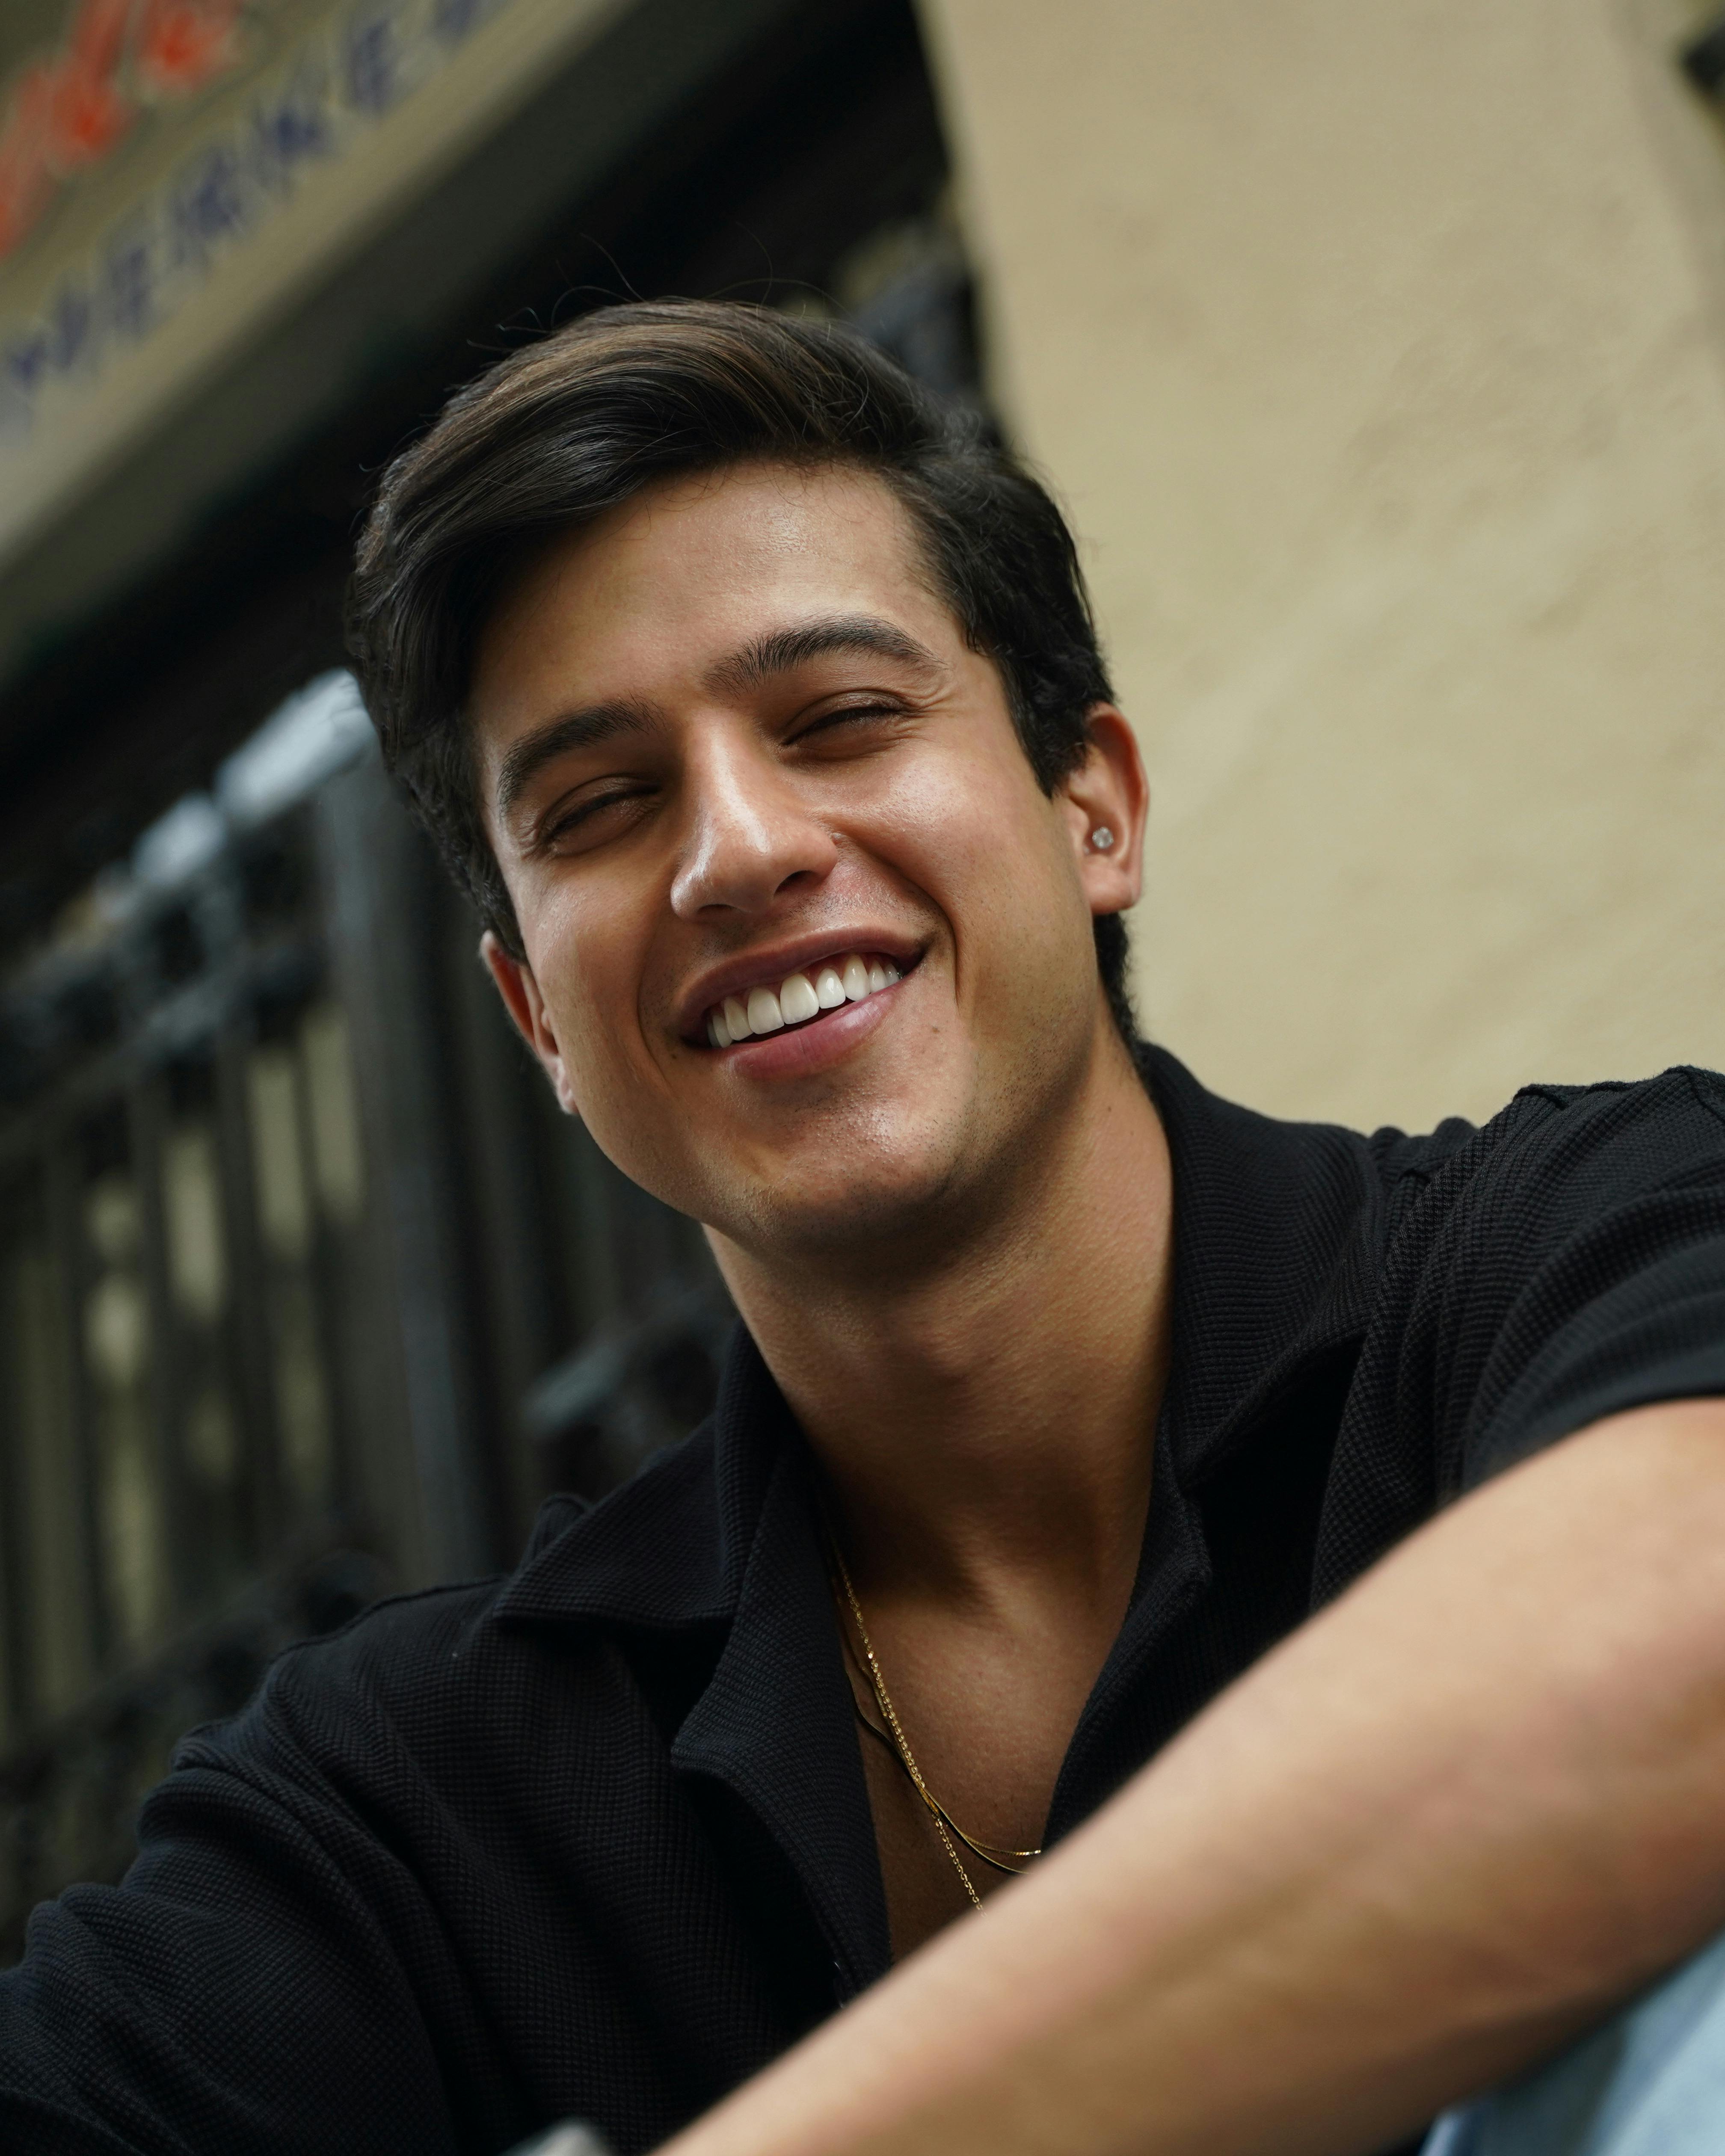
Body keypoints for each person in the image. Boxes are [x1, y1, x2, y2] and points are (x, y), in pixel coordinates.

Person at [3, 302, 1725, 2156]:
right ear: (539, 1027)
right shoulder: (402, 1808)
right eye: (599, 805)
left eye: (840, 718)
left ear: (1095, 809)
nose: (736, 849)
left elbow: (1676, 1661)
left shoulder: (1583, 1239)